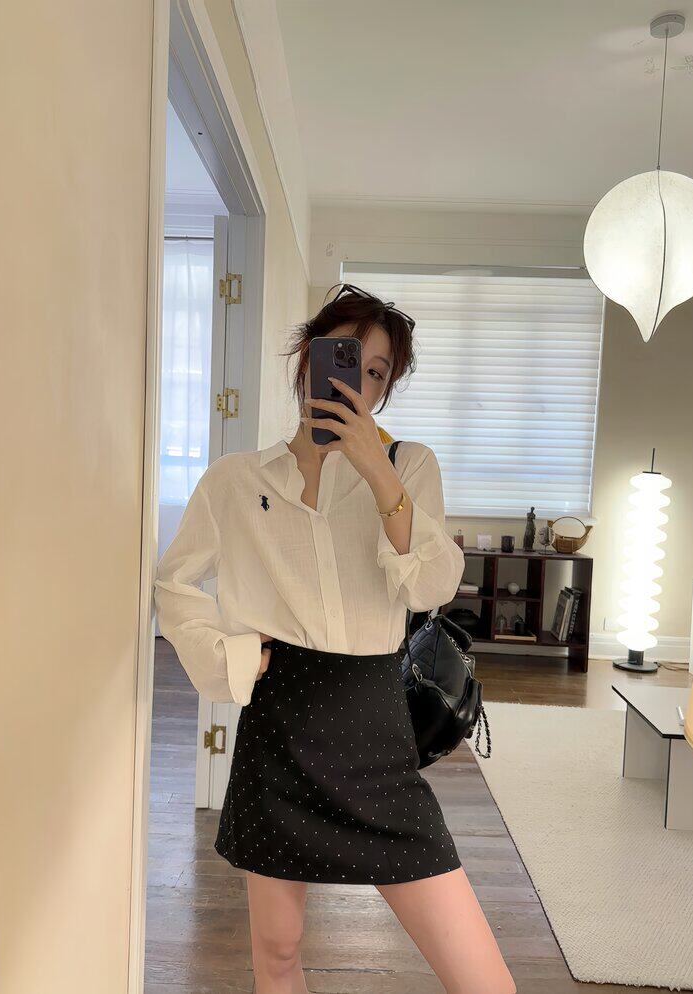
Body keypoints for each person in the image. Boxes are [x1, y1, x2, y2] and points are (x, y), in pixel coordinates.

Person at [153, 283, 516, 994]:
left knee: (482, 980)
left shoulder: (410, 467)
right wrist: (232, 655)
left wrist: (377, 471)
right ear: (308, 360)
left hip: (374, 730)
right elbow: (174, 584)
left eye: (376, 373)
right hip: (279, 730)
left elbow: (432, 586)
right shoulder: (235, 481)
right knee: (278, 956)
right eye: (345, 358)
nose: (359, 383)